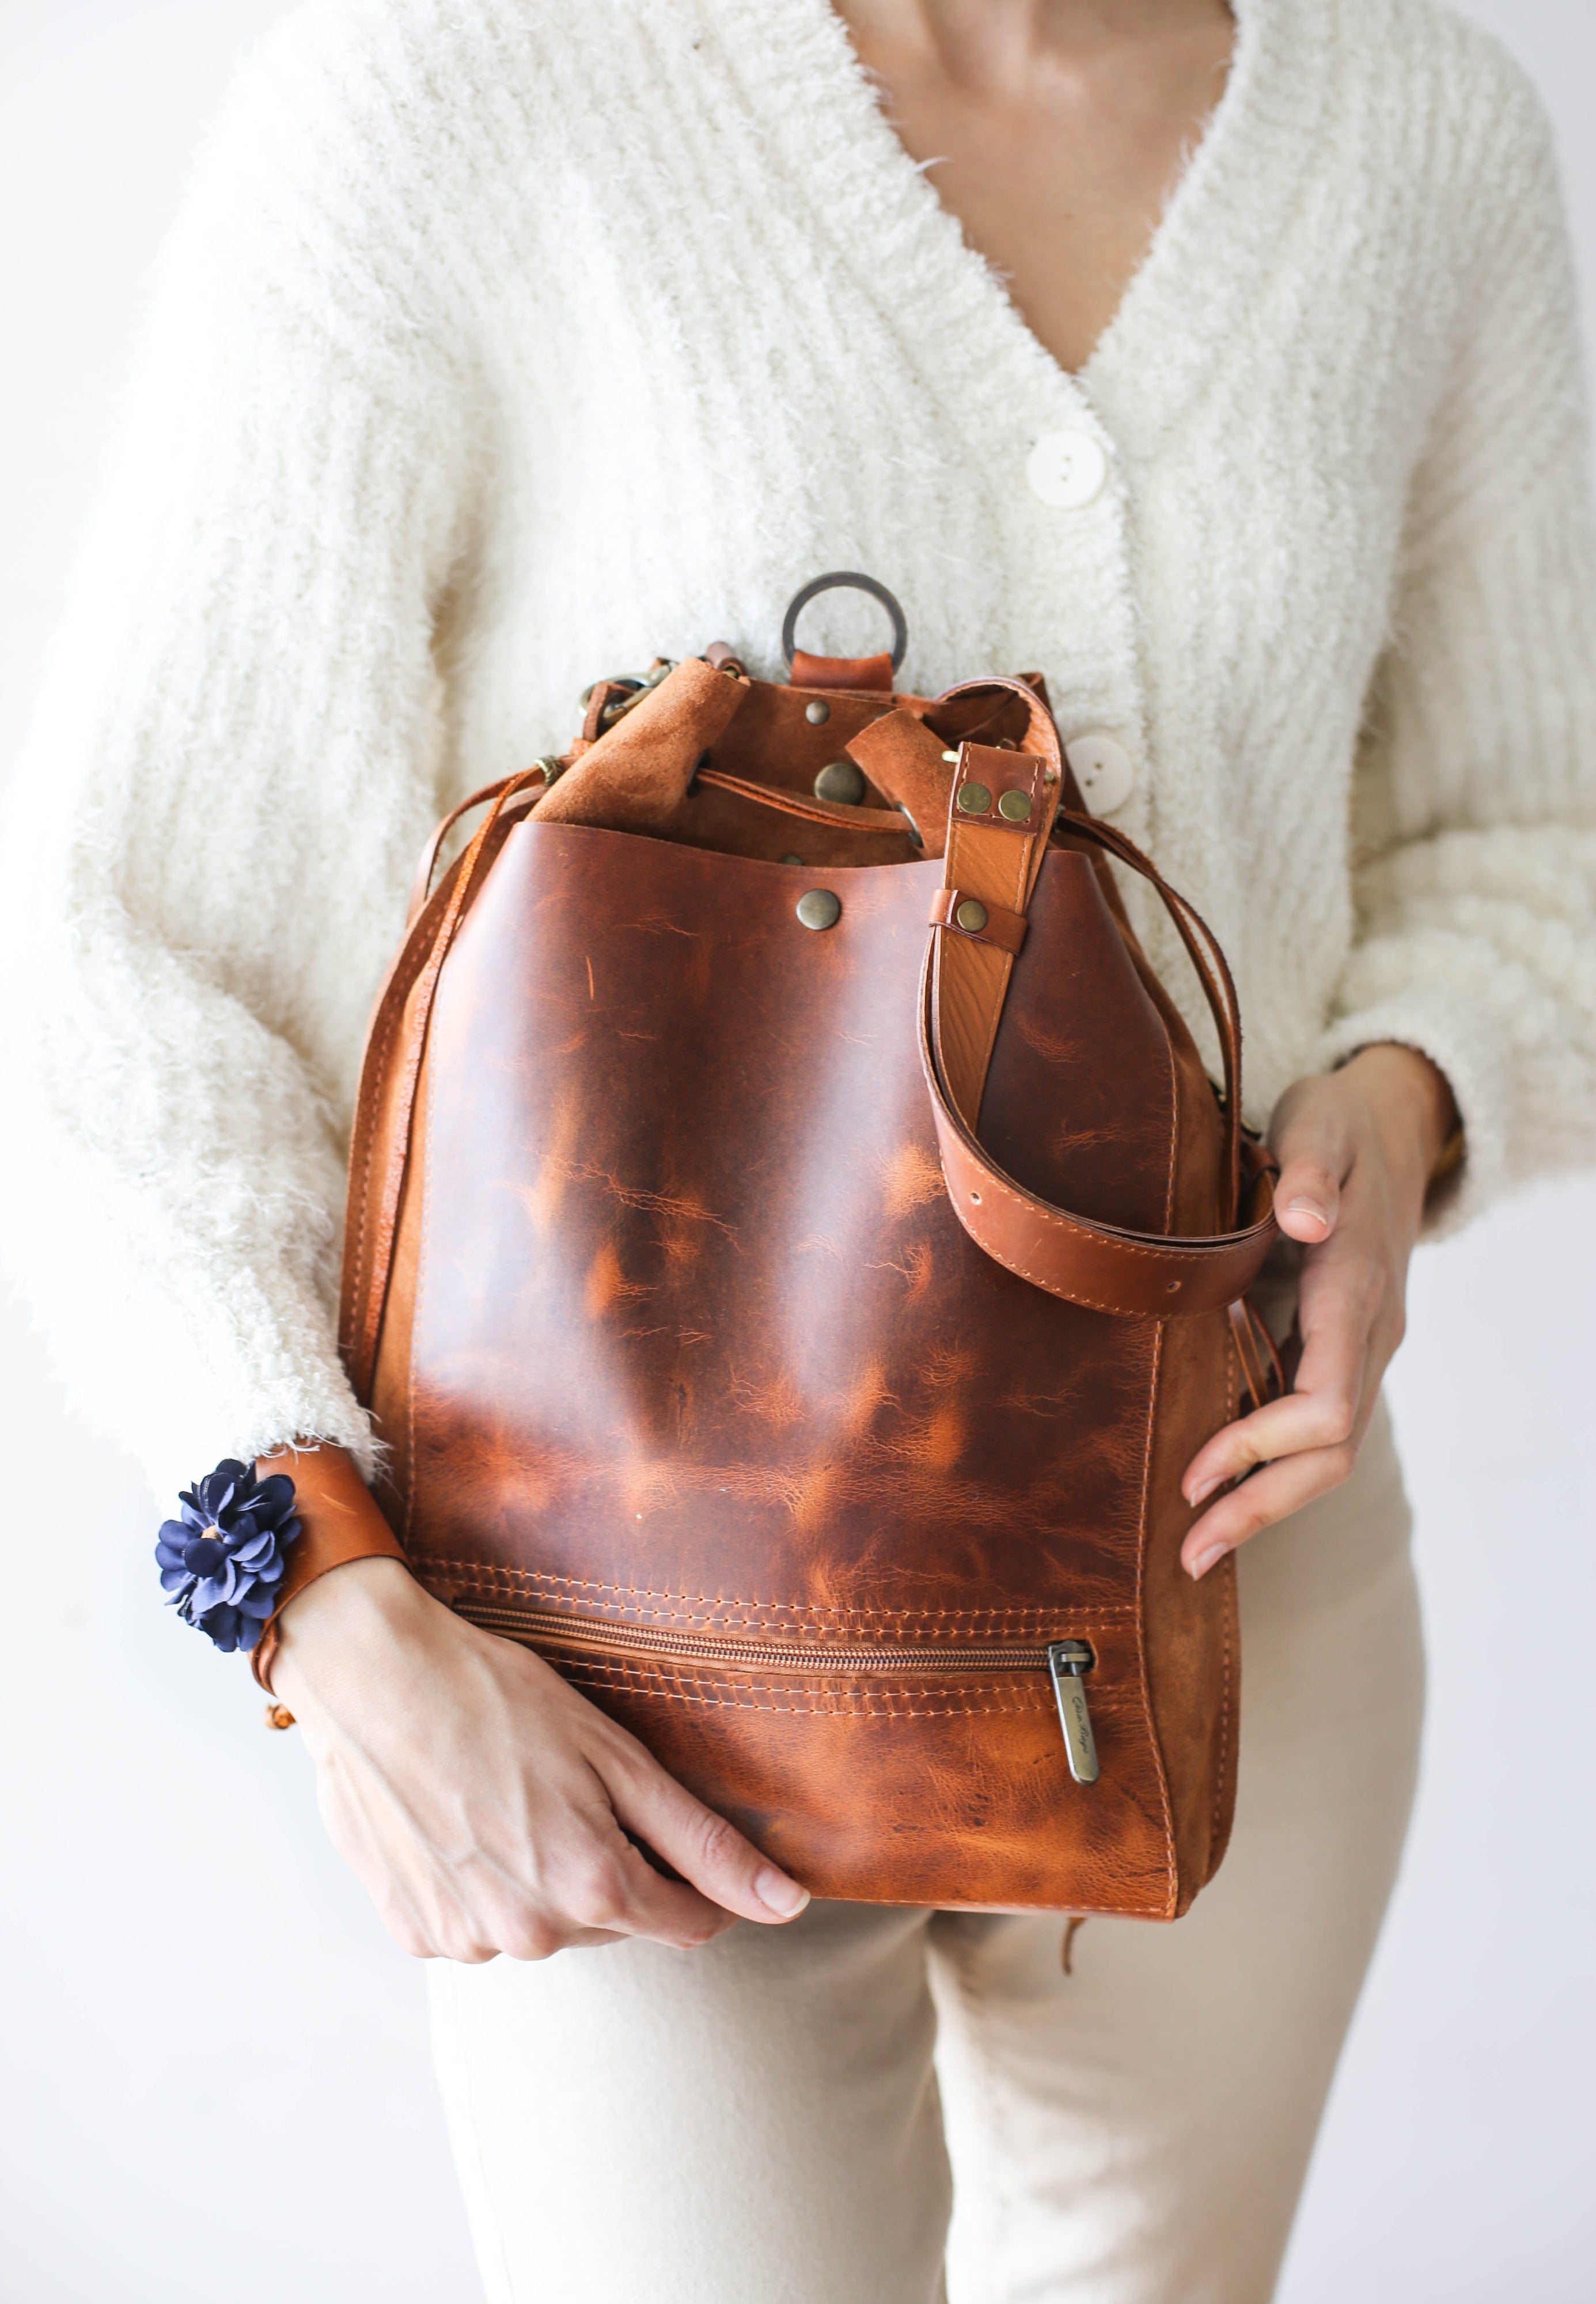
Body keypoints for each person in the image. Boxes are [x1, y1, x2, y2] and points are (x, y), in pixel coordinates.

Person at [4, 0, 1593, 2297]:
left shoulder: (1421, 132)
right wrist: (323, 1603)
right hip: (615, 1665)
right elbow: (127, 955)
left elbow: (1529, 828)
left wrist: (1408, 1089)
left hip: (1235, 1574)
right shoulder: (463, 83)